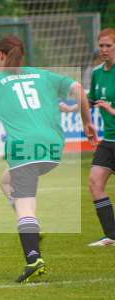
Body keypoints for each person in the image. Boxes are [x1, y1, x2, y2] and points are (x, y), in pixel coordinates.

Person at [0, 34, 97, 283]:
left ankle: (33, 258)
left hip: (24, 149)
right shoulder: (44, 75)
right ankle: (31, 229)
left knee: (25, 207)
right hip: (51, 149)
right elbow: (79, 91)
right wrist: (86, 122)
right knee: (5, 182)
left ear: (1, 55)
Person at [87, 28, 115, 247]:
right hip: (109, 140)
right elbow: (91, 101)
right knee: (95, 182)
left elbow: (106, 106)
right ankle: (111, 236)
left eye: (109, 46)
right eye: (101, 45)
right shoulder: (97, 73)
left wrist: (112, 110)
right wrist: (68, 108)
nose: (104, 50)